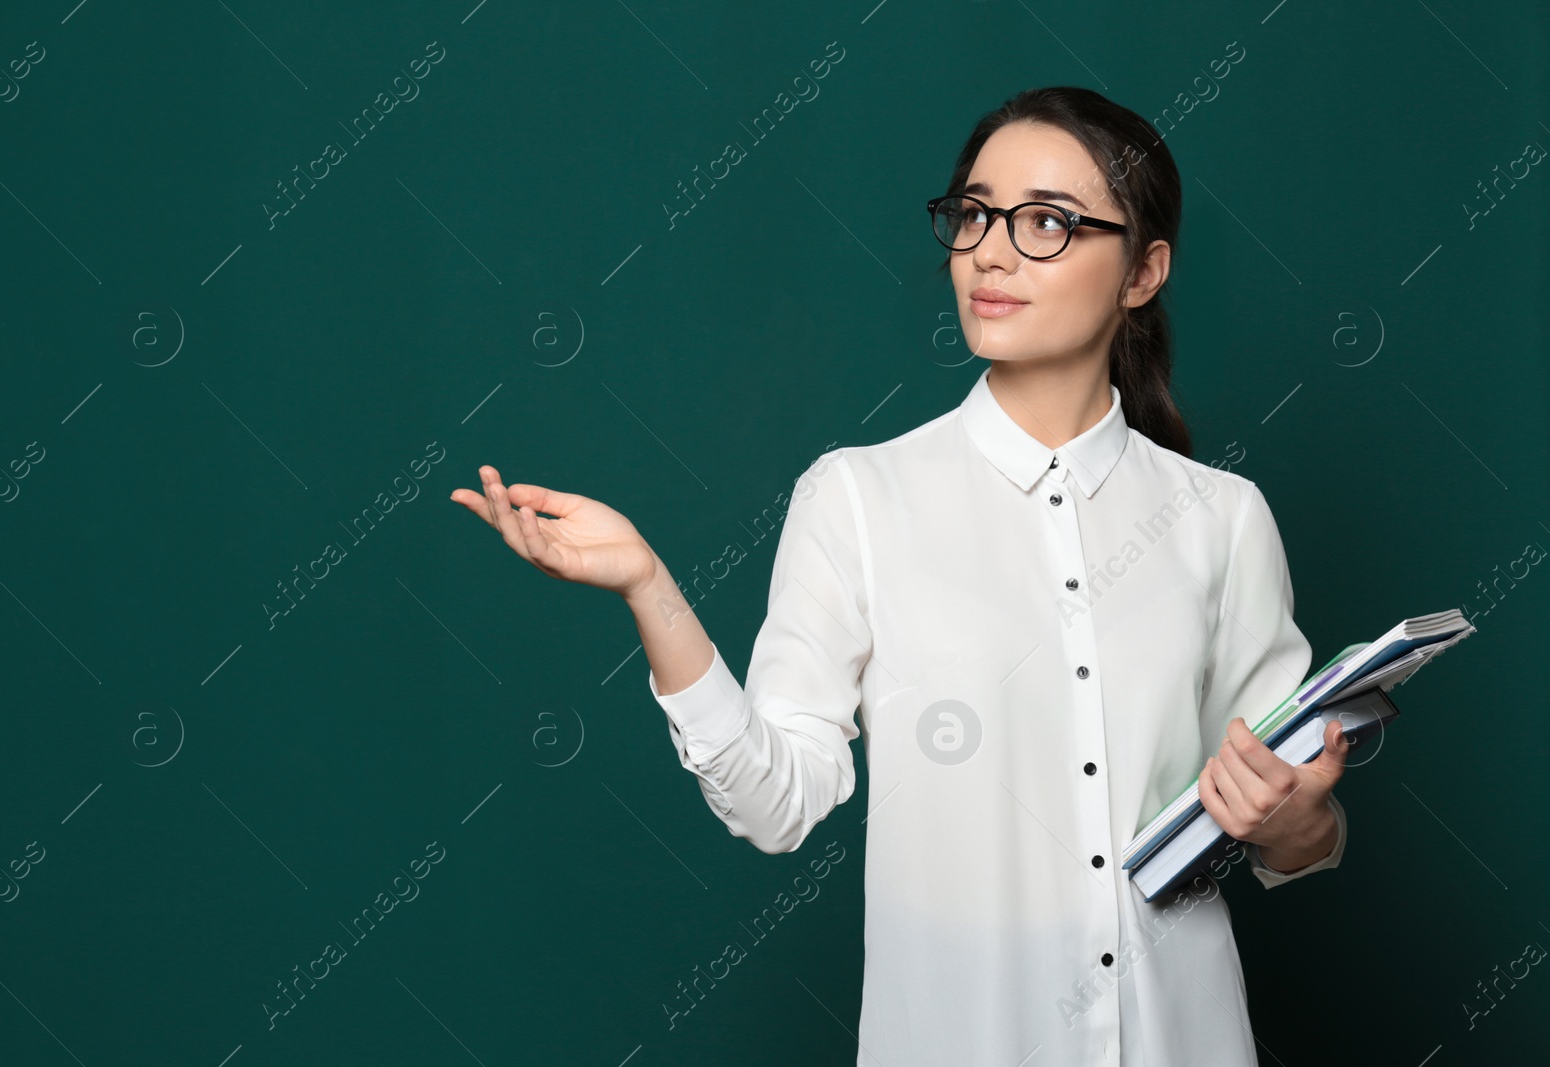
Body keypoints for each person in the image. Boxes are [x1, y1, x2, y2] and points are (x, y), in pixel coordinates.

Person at [451, 86, 1351, 1067]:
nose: (990, 252)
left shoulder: (1221, 518)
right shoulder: (858, 498)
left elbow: (1286, 825)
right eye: (973, 214)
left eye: (1045, 221)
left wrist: (1300, 817)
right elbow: (773, 800)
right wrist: (647, 586)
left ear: (1142, 270)